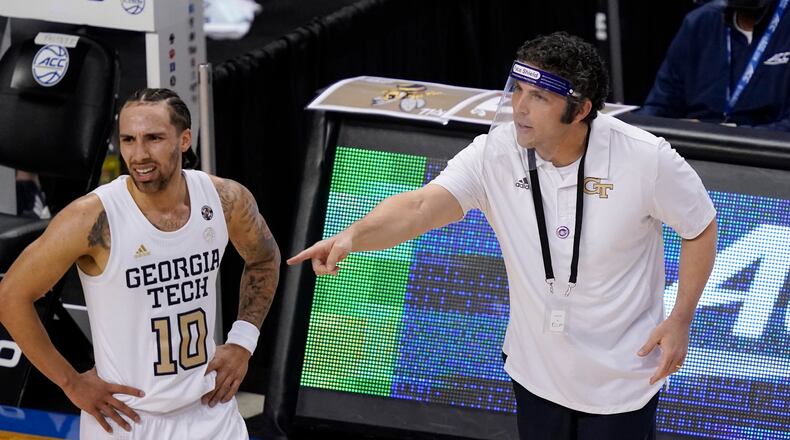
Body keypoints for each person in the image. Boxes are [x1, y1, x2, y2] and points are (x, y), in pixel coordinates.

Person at [288, 32, 718, 439]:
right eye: (517, 90)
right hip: (536, 372)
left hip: (621, 378)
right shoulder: (496, 152)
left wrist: (680, 318)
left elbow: (699, 226)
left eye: (538, 97)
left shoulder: (646, 159)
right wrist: (351, 237)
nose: (519, 108)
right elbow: (421, 206)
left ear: (581, 110)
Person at [0, 88, 281, 439]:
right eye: (128, 140)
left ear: (184, 139)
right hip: (126, 420)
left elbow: (265, 257)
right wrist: (70, 382)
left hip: (210, 411)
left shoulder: (225, 199)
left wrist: (243, 340)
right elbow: (11, 296)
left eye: (154, 138)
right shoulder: (91, 217)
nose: (139, 154)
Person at [640, 0, 790, 131]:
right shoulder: (700, 23)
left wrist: (724, 132)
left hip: (768, 155)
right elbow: (659, 107)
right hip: (696, 150)